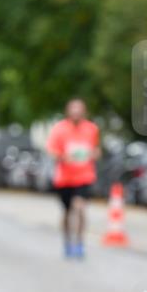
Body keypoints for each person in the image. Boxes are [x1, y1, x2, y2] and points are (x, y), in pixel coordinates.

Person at [45, 98, 100, 259]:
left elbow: (97, 150)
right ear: (68, 111)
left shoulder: (91, 129)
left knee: (80, 207)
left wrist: (94, 154)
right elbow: (51, 151)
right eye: (73, 109)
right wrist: (63, 157)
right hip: (65, 178)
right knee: (68, 211)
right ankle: (68, 241)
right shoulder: (59, 129)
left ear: (84, 111)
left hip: (84, 176)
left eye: (79, 109)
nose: (76, 112)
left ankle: (80, 243)